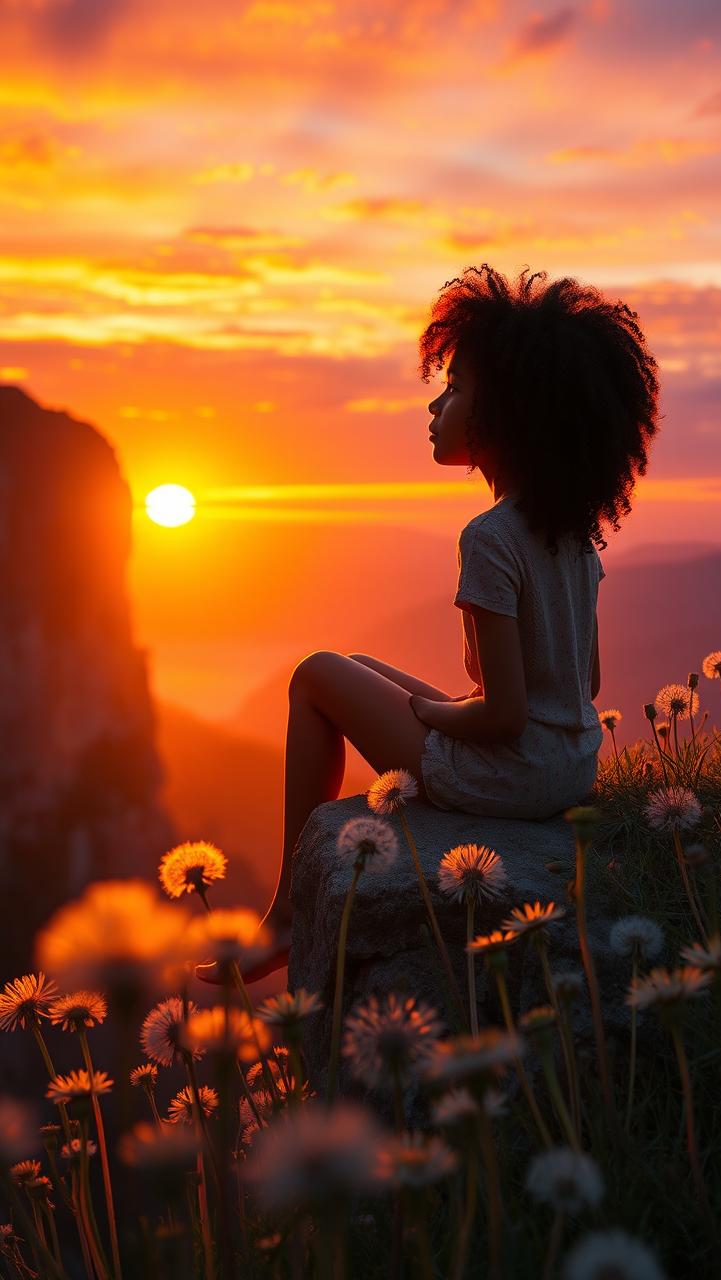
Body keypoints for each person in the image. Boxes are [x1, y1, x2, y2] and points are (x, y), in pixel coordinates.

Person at [199, 264, 661, 985]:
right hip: (569, 766)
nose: (434, 407)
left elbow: (504, 717)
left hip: (513, 778)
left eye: (453, 389)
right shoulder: (570, 531)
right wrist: (449, 710)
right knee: (358, 663)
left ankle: (287, 915)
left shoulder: (490, 537)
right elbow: (585, 682)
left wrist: (431, 711)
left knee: (316, 675)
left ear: (504, 414)